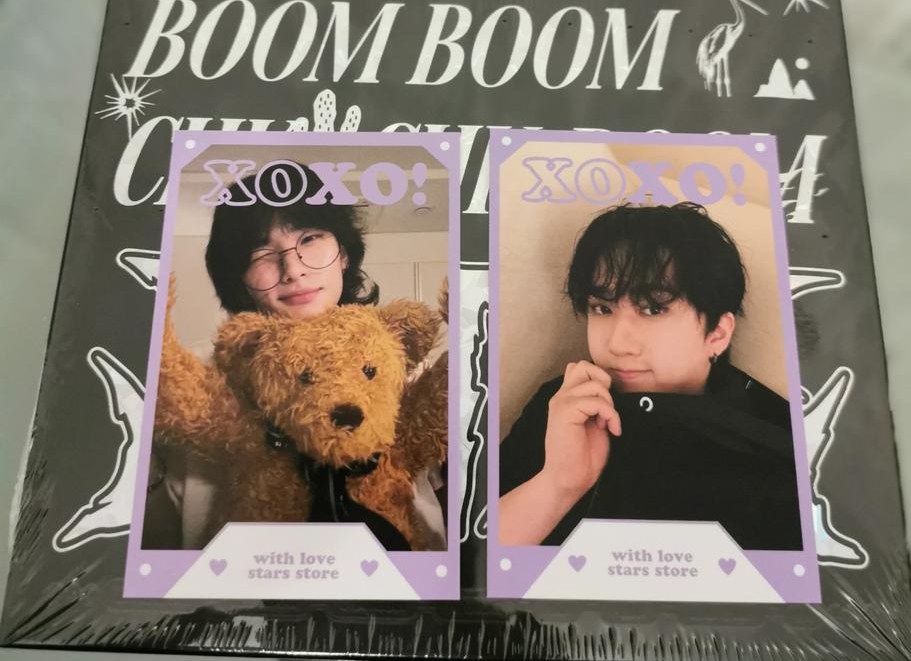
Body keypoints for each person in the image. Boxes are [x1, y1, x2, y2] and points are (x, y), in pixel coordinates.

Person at [144, 161, 446, 550]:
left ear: (344, 254)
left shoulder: (398, 362)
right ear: (240, 277)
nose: (293, 269)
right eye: (260, 252)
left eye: (310, 238)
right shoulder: (197, 371)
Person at [498, 202, 803, 551]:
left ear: (717, 333)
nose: (617, 344)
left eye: (653, 309)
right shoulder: (565, 404)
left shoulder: (778, 442)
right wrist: (557, 486)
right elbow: (469, 563)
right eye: (602, 308)